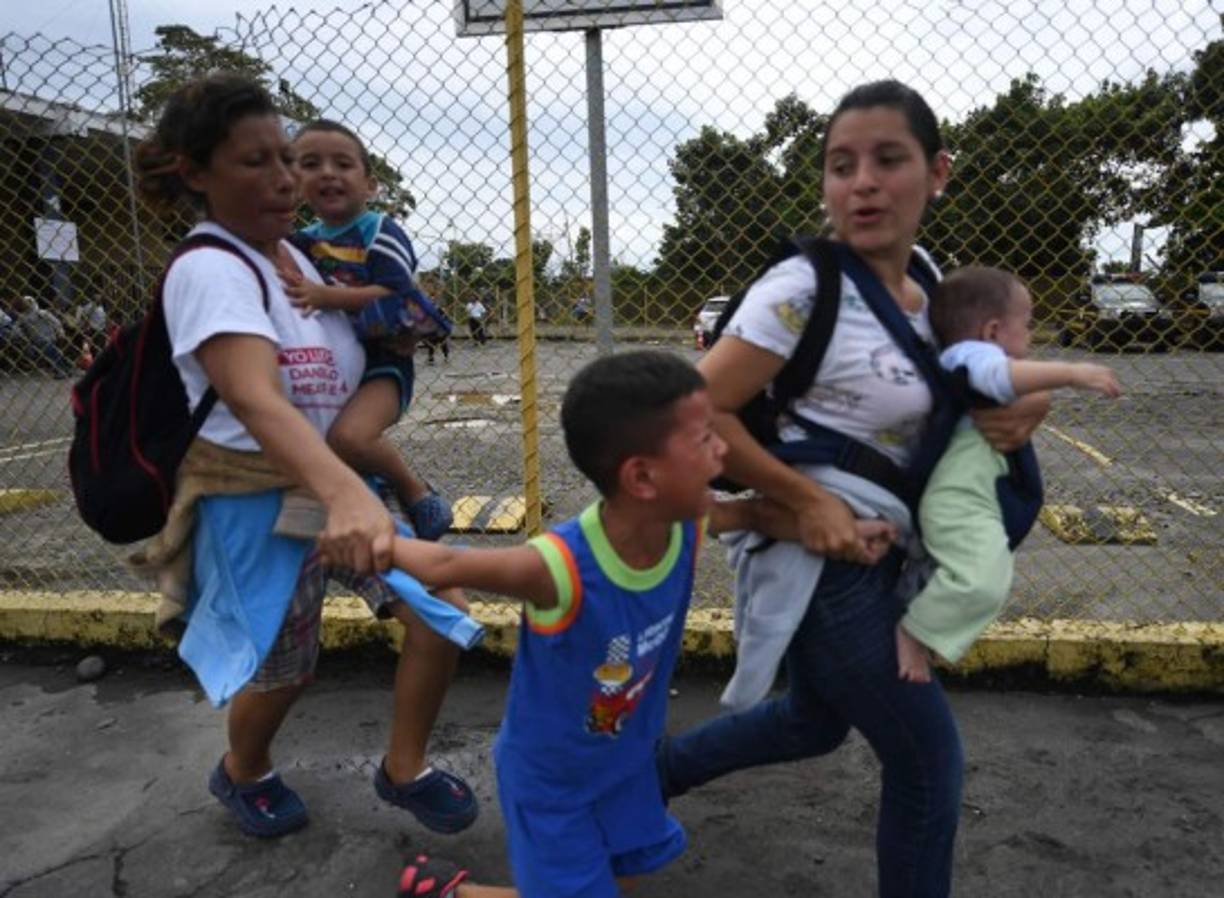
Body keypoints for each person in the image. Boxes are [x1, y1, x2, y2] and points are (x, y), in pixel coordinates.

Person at [654, 81, 1052, 897]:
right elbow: (694, 412)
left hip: (888, 549)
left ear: (938, 172)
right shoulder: (801, 292)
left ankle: (644, 778)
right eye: (842, 165)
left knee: (812, 721)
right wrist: (800, 503)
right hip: (820, 559)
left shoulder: (933, 282)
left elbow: (967, 373)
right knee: (927, 765)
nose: (862, 182)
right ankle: (640, 781)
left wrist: (1027, 395)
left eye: (888, 160)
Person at [385, 351, 891, 898]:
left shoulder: (687, 524)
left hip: (627, 760)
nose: (725, 448)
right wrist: (363, 533)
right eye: (704, 440)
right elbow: (446, 565)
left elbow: (751, 514)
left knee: (616, 874)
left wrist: (846, 531)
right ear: (643, 476)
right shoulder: (560, 567)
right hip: (554, 782)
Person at [131, 74, 477, 839]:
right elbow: (255, 397)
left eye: (286, 158)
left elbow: (360, 339)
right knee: (288, 666)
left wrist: (402, 327)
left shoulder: (298, 256)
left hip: (329, 485)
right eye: (257, 163)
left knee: (440, 615)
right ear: (196, 173)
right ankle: (243, 769)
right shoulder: (209, 269)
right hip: (259, 500)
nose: (288, 179)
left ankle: (404, 767)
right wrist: (351, 491)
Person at [895, 266, 1120, 681]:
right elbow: (998, 375)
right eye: (1028, 325)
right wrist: (1072, 374)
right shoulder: (972, 356)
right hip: (956, 496)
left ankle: (922, 627)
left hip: (963, 492)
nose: (1031, 337)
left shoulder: (961, 353)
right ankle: (914, 633)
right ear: (994, 331)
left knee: (951, 571)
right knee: (985, 577)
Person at [284, 119, 453, 540]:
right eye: (311, 163)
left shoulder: (379, 230)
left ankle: (415, 492)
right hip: (331, 364)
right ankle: (367, 504)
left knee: (350, 436)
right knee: (318, 446)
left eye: (342, 164)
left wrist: (326, 296)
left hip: (384, 361)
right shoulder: (299, 241)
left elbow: (397, 294)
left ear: (371, 185)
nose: (327, 172)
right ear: (295, 180)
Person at [16, 295, 71, 377]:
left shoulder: (41, 313)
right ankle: (66, 368)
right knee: (53, 354)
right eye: (23, 303)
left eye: (27, 302)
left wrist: (60, 332)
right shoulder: (23, 317)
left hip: (48, 337)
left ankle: (62, 371)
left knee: (52, 354)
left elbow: (56, 322)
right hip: (36, 341)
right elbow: (20, 329)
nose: (25, 304)